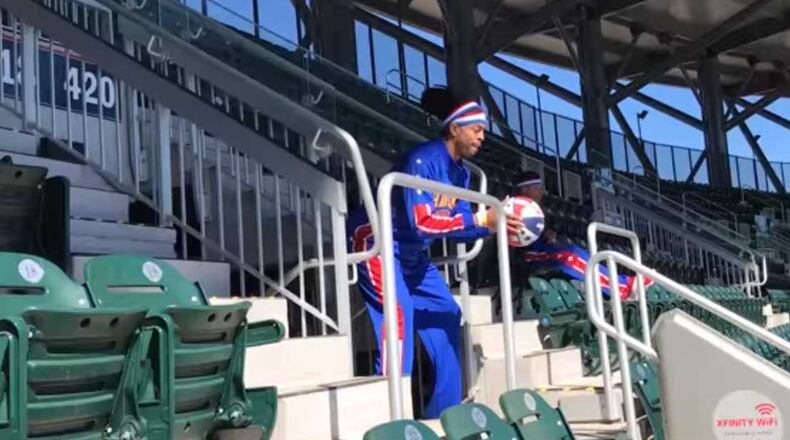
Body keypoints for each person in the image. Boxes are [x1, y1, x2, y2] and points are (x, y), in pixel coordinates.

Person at [347, 87, 522, 418]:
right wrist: (482, 216)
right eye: (477, 129)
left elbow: (456, 223)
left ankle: (445, 414)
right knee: (399, 316)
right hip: (376, 243)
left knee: (447, 313)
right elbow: (423, 222)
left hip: (413, 255)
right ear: (454, 128)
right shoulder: (422, 160)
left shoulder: (463, 174)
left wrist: (493, 225)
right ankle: (390, 418)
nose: (483, 137)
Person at [515, 171, 651, 299]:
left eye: (540, 188)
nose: (541, 192)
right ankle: (622, 289)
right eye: (536, 188)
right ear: (524, 190)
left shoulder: (538, 209)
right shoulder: (515, 208)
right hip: (528, 254)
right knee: (570, 256)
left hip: (542, 248)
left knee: (581, 251)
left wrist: (548, 234)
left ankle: (623, 282)